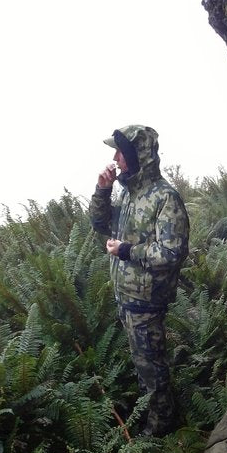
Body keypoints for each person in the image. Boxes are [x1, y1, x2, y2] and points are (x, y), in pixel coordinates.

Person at [89, 125, 190, 437]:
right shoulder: (131, 195)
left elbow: (172, 253)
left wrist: (128, 250)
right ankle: (154, 412)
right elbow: (99, 222)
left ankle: (161, 429)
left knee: (152, 366)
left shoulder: (165, 198)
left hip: (147, 300)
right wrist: (102, 190)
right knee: (142, 363)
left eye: (120, 152)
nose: (116, 158)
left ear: (137, 155)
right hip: (127, 297)